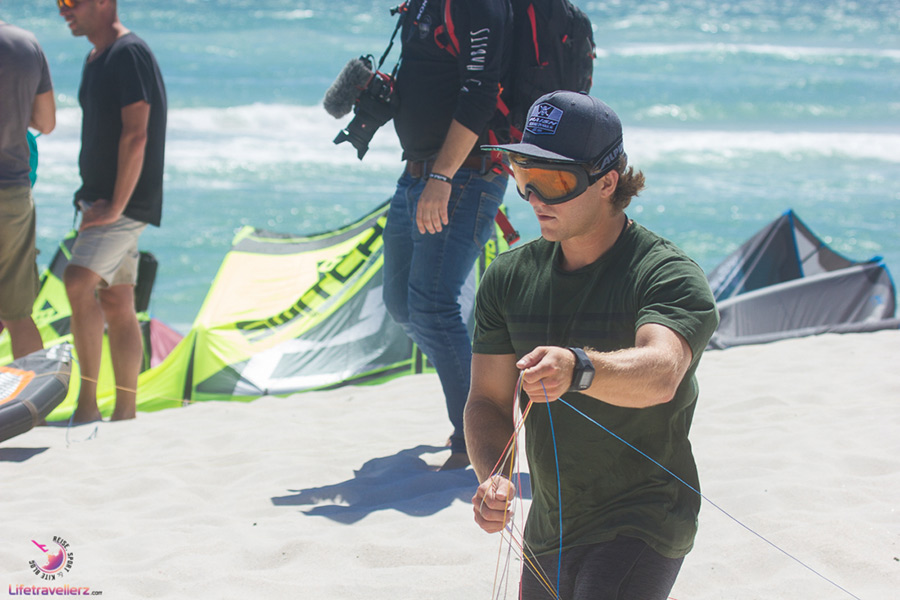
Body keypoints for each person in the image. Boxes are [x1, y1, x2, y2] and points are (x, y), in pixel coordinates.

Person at [465, 91, 720, 599]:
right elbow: (487, 401)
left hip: (645, 516)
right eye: (523, 175)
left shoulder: (665, 273)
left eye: (555, 182)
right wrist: (493, 476)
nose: (535, 198)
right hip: (552, 524)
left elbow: (664, 370)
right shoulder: (507, 276)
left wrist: (579, 369)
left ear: (608, 181)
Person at [381, 0, 512, 471]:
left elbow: (480, 93)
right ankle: (484, 397)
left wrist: (442, 178)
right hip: (418, 172)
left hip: (461, 175)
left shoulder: (479, 5)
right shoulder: (423, 4)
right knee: (401, 302)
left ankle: (478, 438)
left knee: (433, 307)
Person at [58, 0, 167, 422]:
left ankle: (87, 406)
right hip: (103, 200)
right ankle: (125, 411)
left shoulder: (129, 52)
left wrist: (117, 206)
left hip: (121, 203)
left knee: (76, 281)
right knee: (118, 300)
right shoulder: (96, 56)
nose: (63, 9)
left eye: (71, 1)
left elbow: (136, 134)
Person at [0, 17, 56, 359]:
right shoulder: (26, 44)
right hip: (13, 192)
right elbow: (46, 122)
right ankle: (32, 411)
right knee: (18, 314)